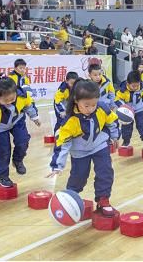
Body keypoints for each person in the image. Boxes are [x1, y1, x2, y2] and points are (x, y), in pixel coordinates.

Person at [47, 79, 120, 217]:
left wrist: (115, 136)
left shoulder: (102, 108)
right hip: (79, 152)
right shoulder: (70, 121)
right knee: (79, 175)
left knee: (105, 171)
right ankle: (70, 197)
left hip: (99, 145)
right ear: (76, 100)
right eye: (86, 105)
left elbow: (112, 121)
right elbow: (62, 143)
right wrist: (58, 165)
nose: (91, 109)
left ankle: (103, 199)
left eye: (93, 104)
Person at [115, 71, 143, 149]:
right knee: (126, 126)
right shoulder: (123, 89)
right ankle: (126, 141)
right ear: (128, 83)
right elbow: (117, 99)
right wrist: (123, 106)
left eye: (137, 85)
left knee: (142, 125)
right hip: (127, 112)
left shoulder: (142, 87)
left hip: (139, 110)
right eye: (133, 86)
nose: (135, 87)